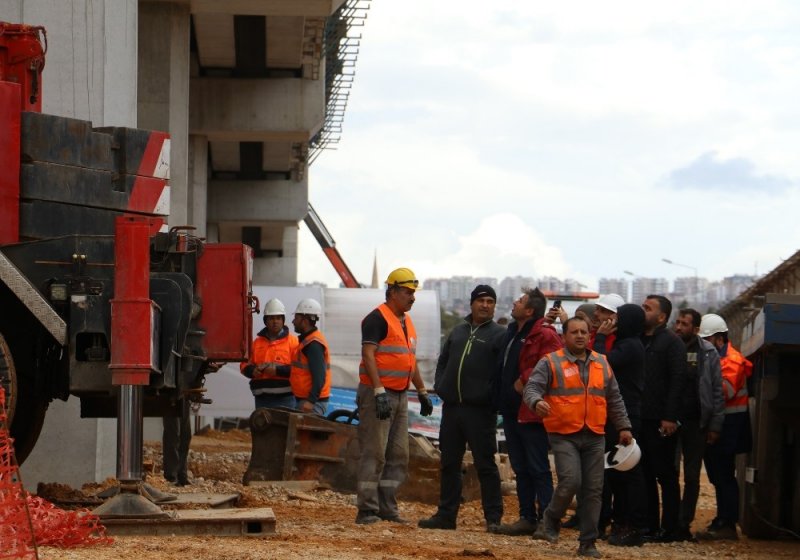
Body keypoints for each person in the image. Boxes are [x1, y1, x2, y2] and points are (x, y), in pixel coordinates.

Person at [526, 316, 633, 559]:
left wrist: (624, 426)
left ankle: (587, 543)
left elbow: (614, 398)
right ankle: (552, 517)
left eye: (584, 331)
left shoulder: (602, 363)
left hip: (594, 434)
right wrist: (537, 401)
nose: (580, 336)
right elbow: (532, 388)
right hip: (563, 433)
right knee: (571, 481)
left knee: (594, 490)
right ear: (564, 336)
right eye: (574, 332)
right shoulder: (551, 362)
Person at [418, 285, 505, 532]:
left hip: (481, 411)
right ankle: (446, 516)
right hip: (453, 409)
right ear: (472, 304)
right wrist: (441, 385)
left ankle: (493, 518)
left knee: (485, 464)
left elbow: (501, 372)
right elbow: (442, 361)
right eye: (481, 301)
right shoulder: (457, 331)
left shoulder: (499, 335)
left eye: (490, 301)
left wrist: (489, 396)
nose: (486, 305)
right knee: (449, 463)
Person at [355, 267, 433, 525]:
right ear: (393, 291)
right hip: (378, 393)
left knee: (399, 454)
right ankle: (367, 509)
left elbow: (409, 361)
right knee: (374, 452)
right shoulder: (377, 318)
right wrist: (378, 391)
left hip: (400, 395)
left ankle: (387, 507)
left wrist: (421, 391)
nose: (413, 297)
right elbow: (368, 356)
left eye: (414, 293)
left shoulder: (406, 322)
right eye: (408, 292)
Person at [494, 287, 562, 536]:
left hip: (532, 411)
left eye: (520, 301)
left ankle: (548, 519)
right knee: (520, 467)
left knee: (538, 467)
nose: (514, 302)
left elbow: (553, 362)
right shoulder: (513, 332)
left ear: (530, 310)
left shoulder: (545, 334)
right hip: (511, 410)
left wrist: (523, 381)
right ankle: (527, 517)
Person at [592, 303, 648, 546]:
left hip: (626, 416)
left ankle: (634, 526)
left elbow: (600, 365)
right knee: (616, 474)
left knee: (629, 472)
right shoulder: (628, 343)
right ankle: (621, 522)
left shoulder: (631, 346)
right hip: (617, 415)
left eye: (617, 317)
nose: (612, 321)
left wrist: (601, 337)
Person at [696, 313, 752, 541]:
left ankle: (727, 523)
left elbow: (725, 391)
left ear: (719, 339)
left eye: (706, 340)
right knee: (719, 476)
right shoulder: (719, 358)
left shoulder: (732, 360)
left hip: (730, 424)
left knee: (725, 475)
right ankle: (723, 520)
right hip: (723, 422)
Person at [673, 308, 725, 541]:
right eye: (677, 322)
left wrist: (715, 425)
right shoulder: (669, 348)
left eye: (684, 324)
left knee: (692, 477)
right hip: (671, 421)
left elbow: (716, 390)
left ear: (695, 329)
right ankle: (668, 523)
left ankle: (684, 523)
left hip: (697, 423)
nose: (678, 327)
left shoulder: (708, 352)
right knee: (668, 473)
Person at [639, 295, 688, 542]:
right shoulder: (638, 339)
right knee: (645, 473)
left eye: (648, 308)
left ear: (661, 317)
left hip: (661, 421)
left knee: (665, 475)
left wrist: (670, 417)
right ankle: (649, 526)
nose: (642, 311)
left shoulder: (672, 343)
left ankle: (671, 528)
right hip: (641, 419)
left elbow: (678, 382)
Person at [239, 298, 299, 410]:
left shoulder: (293, 342)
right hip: (262, 399)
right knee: (263, 427)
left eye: (278, 318)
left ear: (283, 320)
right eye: (271, 318)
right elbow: (244, 365)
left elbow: (299, 370)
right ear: (265, 321)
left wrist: (277, 370)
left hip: (286, 400)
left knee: (284, 427)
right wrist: (252, 371)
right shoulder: (256, 343)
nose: (275, 321)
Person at [290, 298, 331, 415]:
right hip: (306, 401)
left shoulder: (313, 344)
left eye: (296, 318)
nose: (293, 321)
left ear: (305, 320)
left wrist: (311, 401)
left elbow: (320, 376)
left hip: (312, 403)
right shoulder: (308, 341)